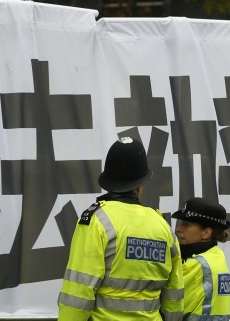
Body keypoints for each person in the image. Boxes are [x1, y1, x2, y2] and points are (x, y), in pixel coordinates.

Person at [58, 136, 183, 321]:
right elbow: (174, 294)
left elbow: (78, 292)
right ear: (140, 186)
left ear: (108, 181)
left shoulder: (96, 221)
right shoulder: (162, 227)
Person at [172, 198, 230, 321]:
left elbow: (170, 308)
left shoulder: (195, 265)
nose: (179, 229)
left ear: (206, 233)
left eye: (186, 225)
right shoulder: (217, 256)